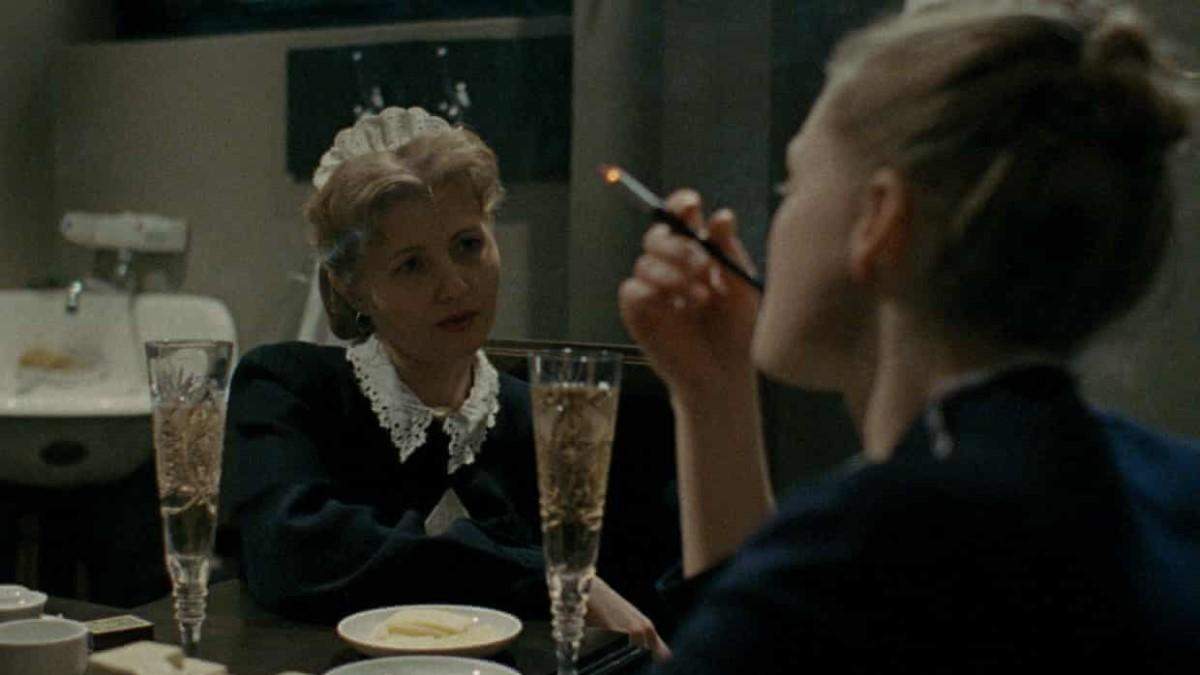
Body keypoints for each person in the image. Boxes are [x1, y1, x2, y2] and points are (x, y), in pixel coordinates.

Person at [618, 1, 1197, 671]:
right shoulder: (1168, 487)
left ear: (881, 221)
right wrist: (714, 396)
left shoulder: (875, 545)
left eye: (791, 182)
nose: (777, 216)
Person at [226, 107, 667, 657]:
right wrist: (542, 576)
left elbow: (646, 602)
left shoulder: (553, 417)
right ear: (353, 286)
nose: (455, 286)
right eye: (412, 265)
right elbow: (294, 555)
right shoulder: (287, 388)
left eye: (467, 245)